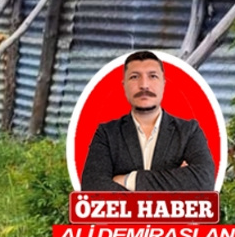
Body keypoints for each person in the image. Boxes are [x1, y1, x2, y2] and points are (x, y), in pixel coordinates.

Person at [79, 50, 215, 192]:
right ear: (124, 85)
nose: (144, 85)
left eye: (152, 76)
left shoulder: (188, 131)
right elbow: (92, 186)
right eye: (134, 77)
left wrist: (129, 180)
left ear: (164, 83)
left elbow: (204, 180)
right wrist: (177, 181)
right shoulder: (107, 133)